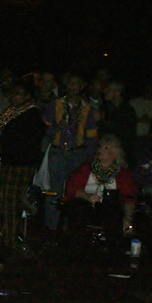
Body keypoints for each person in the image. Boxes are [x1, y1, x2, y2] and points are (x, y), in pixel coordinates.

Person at [0, 82, 45, 250]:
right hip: (2, 163)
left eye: (19, 94)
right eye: (13, 94)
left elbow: (26, 143)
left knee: (11, 203)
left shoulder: (33, 115)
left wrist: (2, 147)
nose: (14, 97)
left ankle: (10, 242)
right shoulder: (10, 112)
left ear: (28, 96)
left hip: (20, 165)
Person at [63, 134, 138, 255]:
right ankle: (75, 252)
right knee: (77, 209)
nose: (100, 150)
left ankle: (114, 256)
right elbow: (72, 189)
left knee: (113, 215)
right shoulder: (86, 168)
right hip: (86, 203)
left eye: (106, 148)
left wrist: (128, 218)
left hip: (108, 207)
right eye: (100, 147)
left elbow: (129, 198)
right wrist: (87, 196)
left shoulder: (122, 174)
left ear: (115, 153)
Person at [42, 74, 98, 230]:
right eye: (71, 83)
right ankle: (51, 227)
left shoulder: (87, 108)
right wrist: (56, 127)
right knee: (54, 191)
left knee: (73, 190)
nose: (73, 86)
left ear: (82, 87)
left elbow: (92, 137)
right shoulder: (56, 104)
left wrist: (90, 159)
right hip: (57, 152)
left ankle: (68, 226)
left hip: (77, 154)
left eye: (77, 83)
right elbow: (43, 129)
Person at [98, 80, 137, 167]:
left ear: (117, 92)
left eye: (108, 89)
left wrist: (100, 121)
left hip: (121, 157)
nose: (105, 91)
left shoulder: (126, 111)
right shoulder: (109, 108)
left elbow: (119, 135)